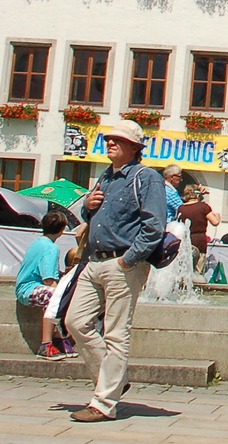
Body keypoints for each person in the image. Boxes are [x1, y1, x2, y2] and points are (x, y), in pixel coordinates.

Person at [66, 124, 166, 421]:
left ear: (135, 147)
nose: (109, 142)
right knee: (75, 322)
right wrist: (87, 207)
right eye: (108, 138)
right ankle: (114, 381)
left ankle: (104, 403)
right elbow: (92, 217)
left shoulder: (146, 178)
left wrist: (130, 260)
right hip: (93, 260)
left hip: (122, 262)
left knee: (116, 333)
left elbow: (154, 226)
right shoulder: (106, 177)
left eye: (117, 139)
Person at [16, 207, 74, 358]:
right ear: (62, 230)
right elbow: (49, 280)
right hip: (29, 289)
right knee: (55, 297)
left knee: (57, 297)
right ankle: (46, 344)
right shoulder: (51, 248)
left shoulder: (38, 242)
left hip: (23, 288)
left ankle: (58, 339)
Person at [177, 185, 219, 271]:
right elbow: (215, 222)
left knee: (184, 268)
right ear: (197, 194)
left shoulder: (181, 208)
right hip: (199, 240)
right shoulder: (203, 207)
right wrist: (217, 216)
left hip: (185, 239)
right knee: (198, 268)